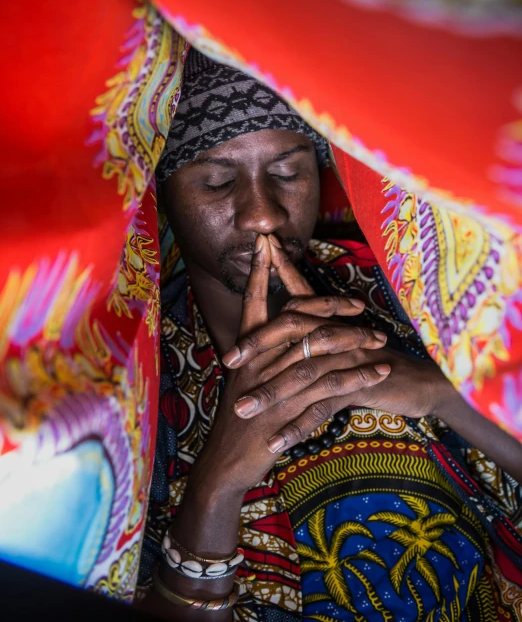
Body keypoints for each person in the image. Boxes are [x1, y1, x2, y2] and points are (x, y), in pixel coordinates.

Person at [138, 48, 522, 621]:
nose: (263, 216)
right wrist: (215, 489)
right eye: (218, 183)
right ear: (166, 192)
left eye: (289, 172)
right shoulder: (139, 377)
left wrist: (443, 392)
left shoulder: (413, 285)